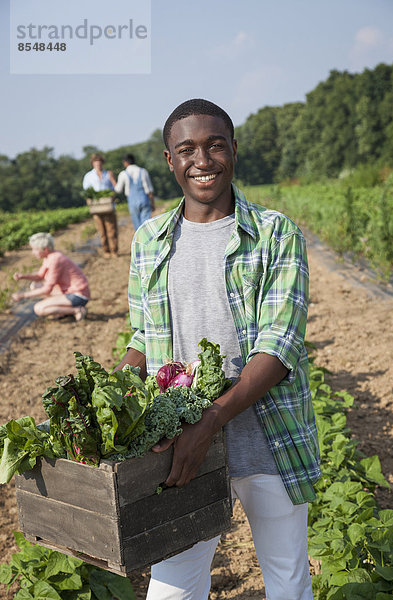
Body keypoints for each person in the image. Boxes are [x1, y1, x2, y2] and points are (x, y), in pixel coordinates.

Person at [115, 99, 321, 600]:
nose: (202, 160)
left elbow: (278, 345)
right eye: (187, 149)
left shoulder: (275, 234)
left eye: (215, 145)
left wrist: (210, 421)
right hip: (181, 446)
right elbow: (143, 336)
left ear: (233, 150)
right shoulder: (149, 240)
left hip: (266, 438)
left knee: (286, 576)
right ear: (169, 160)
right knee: (172, 585)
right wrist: (112, 391)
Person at [12, 232, 90, 321]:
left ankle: (77, 310)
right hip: (67, 291)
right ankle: (62, 311)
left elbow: (47, 289)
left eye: (35, 249)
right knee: (35, 286)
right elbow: (39, 276)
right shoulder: (50, 257)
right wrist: (23, 276)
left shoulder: (56, 260)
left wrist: (23, 295)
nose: (33, 253)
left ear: (45, 249)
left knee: (39, 308)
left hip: (78, 295)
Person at [82, 152, 118, 257]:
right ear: (92, 163)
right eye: (96, 162)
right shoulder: (88, 176)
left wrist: (112, 180)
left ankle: (114, 250)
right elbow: (87, 192)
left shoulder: (108, 174)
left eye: (100, 162)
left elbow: (115, 188)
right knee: (101, 231)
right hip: (96, 207)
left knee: (111, 229)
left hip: (108, 205)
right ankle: (106, 250)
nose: (98, 164)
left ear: (102, 163)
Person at [113, 153, 155, 231]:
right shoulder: (143, 171)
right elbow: (149, 190)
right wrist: (152, 203)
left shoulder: (123, 174)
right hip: (144, 200)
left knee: (138, 228)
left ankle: (140, 242)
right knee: (146, 226)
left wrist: (112, 180)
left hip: (132, 202)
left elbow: (118, 190)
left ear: (125, 162)